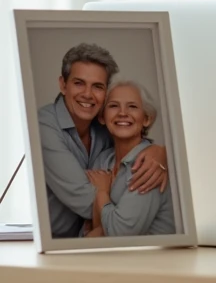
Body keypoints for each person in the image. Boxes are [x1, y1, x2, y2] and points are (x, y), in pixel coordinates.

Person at [36, 43, 168, 238]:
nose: (88, 94)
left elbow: (117, 226)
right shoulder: (44, 127)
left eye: (97, 86)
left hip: (108, 249)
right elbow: (85, 200)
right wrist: (112, 213)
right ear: (63, 85)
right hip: (56, 242)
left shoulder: (109, 131)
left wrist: (163, 152)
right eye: (79, 83)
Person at [84, 80, 175, 236]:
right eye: (113, 106)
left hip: (151, 259)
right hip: (112, 258)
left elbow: (119, 234)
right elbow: (89, 225)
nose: (122, 113)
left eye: (132, 106)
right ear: (102, 117)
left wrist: (102, 192)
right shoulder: (102, 159)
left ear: (146, 119)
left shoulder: (149, 166)